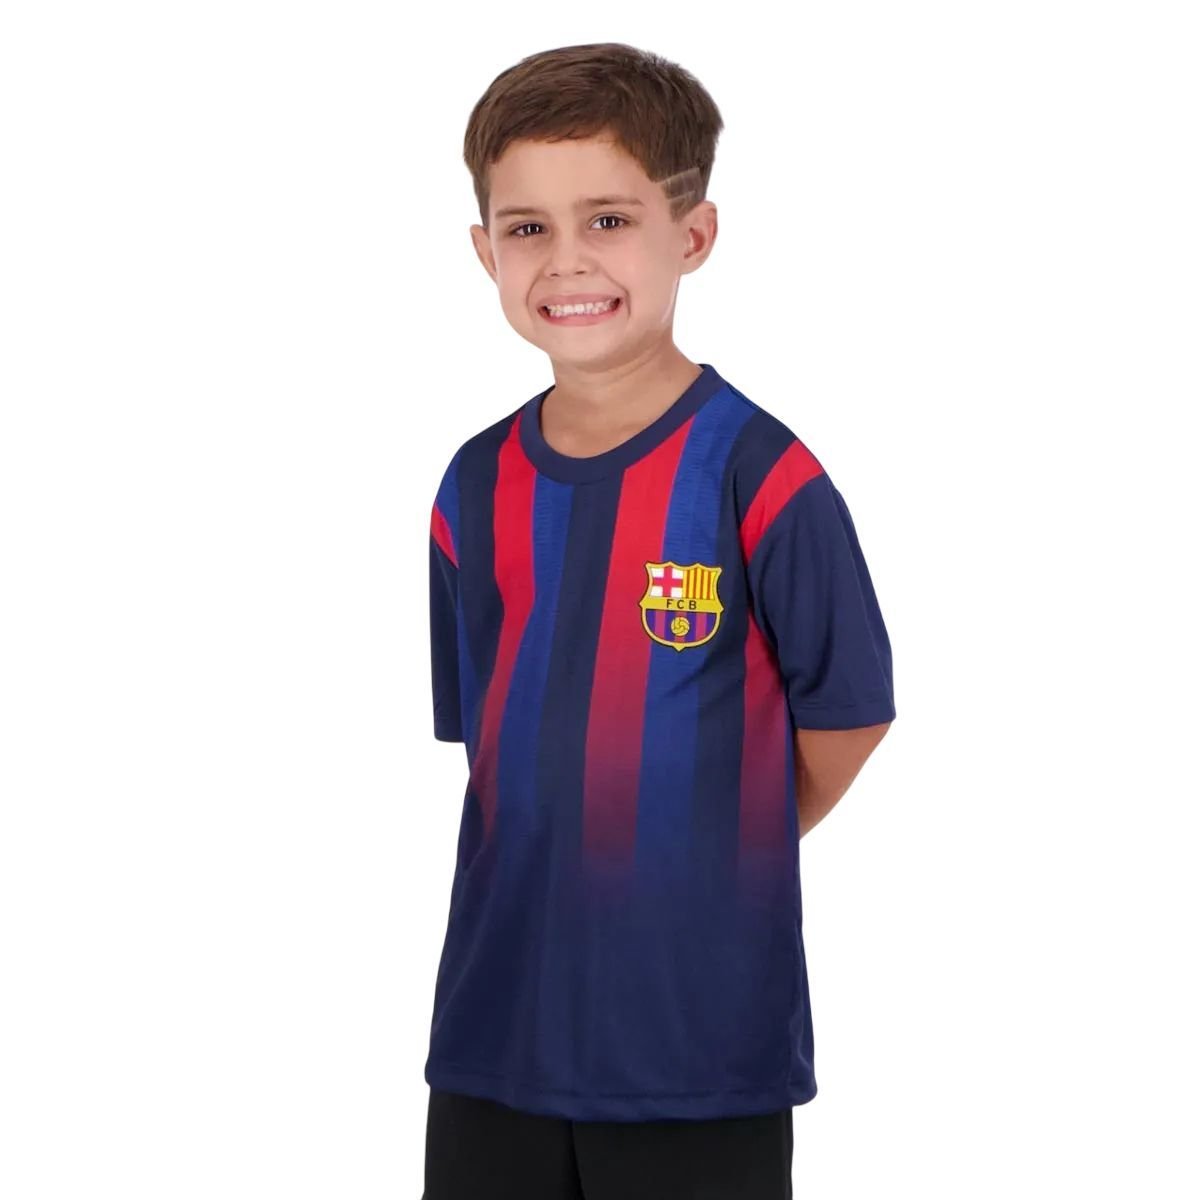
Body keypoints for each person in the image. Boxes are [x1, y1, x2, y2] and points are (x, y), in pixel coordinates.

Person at [422, 41, 895, 1200]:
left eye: (608, 219)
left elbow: (850, 716)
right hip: (496, 1035)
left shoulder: (763, 475)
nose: (566, 259)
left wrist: (713, 839)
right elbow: (489, 738)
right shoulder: (473, 485)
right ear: (484, 252)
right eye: (527, 227)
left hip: (696, 1048)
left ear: (693, 234)